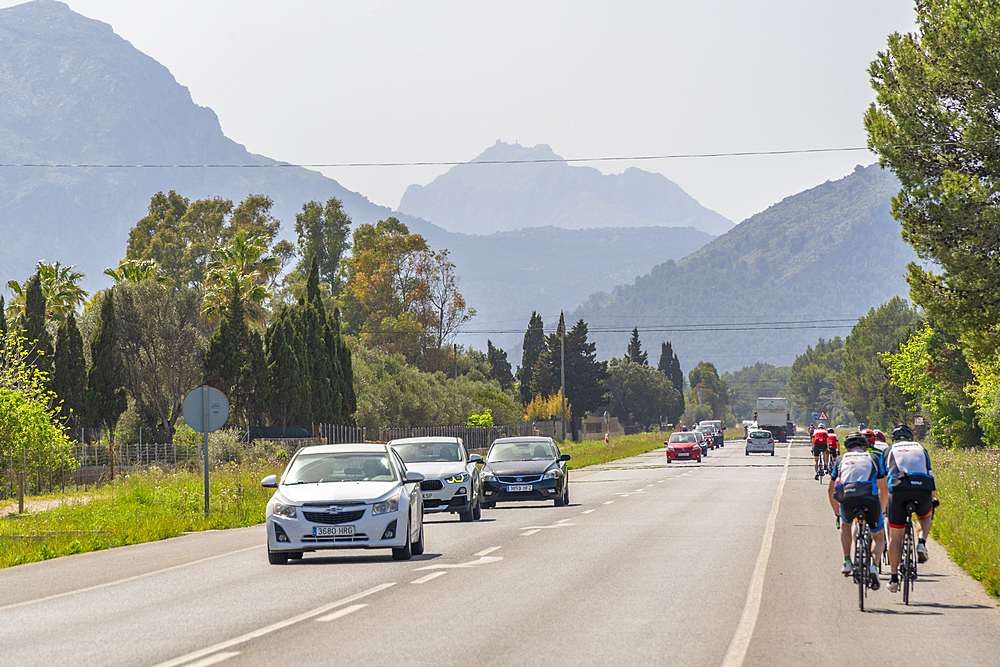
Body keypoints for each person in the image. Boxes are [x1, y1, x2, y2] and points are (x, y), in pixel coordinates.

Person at [828, 432, 887, 590]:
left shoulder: (841, 459)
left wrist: (837, 513)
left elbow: (831, 488)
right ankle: (874, 566)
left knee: (846, 525)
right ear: (864, 446)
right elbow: (883, 488)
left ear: (848, 448)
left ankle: (847, 561)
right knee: (879, 536)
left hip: (848, 499)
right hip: (870, 499)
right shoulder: (873, 458)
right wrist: (881, 510)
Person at [885, 424, 936, 593]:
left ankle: (893, 579)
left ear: (894, 438)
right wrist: (932, 499)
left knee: (895, 536)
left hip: (899, 490)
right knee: (925, 516)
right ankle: (921, 543)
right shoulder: (921, 449)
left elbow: (882, 480)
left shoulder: (889, 450)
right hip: (922, 488)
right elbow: (930, 475)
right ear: (911, 437)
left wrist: (884, 505)